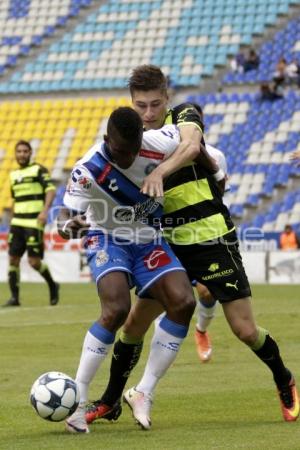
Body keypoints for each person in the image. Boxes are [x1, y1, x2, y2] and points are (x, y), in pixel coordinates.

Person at [87, 65, 299, 429]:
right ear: (131, 104)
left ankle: (284, 379)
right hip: (167, 241)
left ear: (167, 98)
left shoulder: (184, 115)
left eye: (156, 104)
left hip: (211, 237)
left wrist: (159, 173)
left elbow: (191, 145)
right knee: (135, 322)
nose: (149, 114)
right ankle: (112, 400)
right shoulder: (125, 140)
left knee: (245, 330)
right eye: (141, 106)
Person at [57, 106, 197, 434]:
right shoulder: (87, 169)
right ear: (107, 140)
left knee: (183, 302)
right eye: (121, 152)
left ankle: (143, 391)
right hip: (107, 238)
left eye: (134, 151)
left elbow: (193, 140)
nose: (129, 159)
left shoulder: (156, 142)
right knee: (117, 308)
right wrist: (68, 228)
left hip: (148, 240)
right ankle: (77, 402)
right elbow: (65, 218)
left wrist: (204, 168)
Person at [2, 140, 59, 307]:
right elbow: (16, 199)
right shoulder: (13, 175)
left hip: (34, 222)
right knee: (13, 259)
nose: (22, 154)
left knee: (34, 262)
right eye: (19, 151)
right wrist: (12, 218)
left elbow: (51, 190)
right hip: (17, 222)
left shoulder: (38, 170)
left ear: (30, 153)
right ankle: (14, 298)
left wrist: (45, 210)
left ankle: (52, 285)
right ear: (15, 154)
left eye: (25, 151)